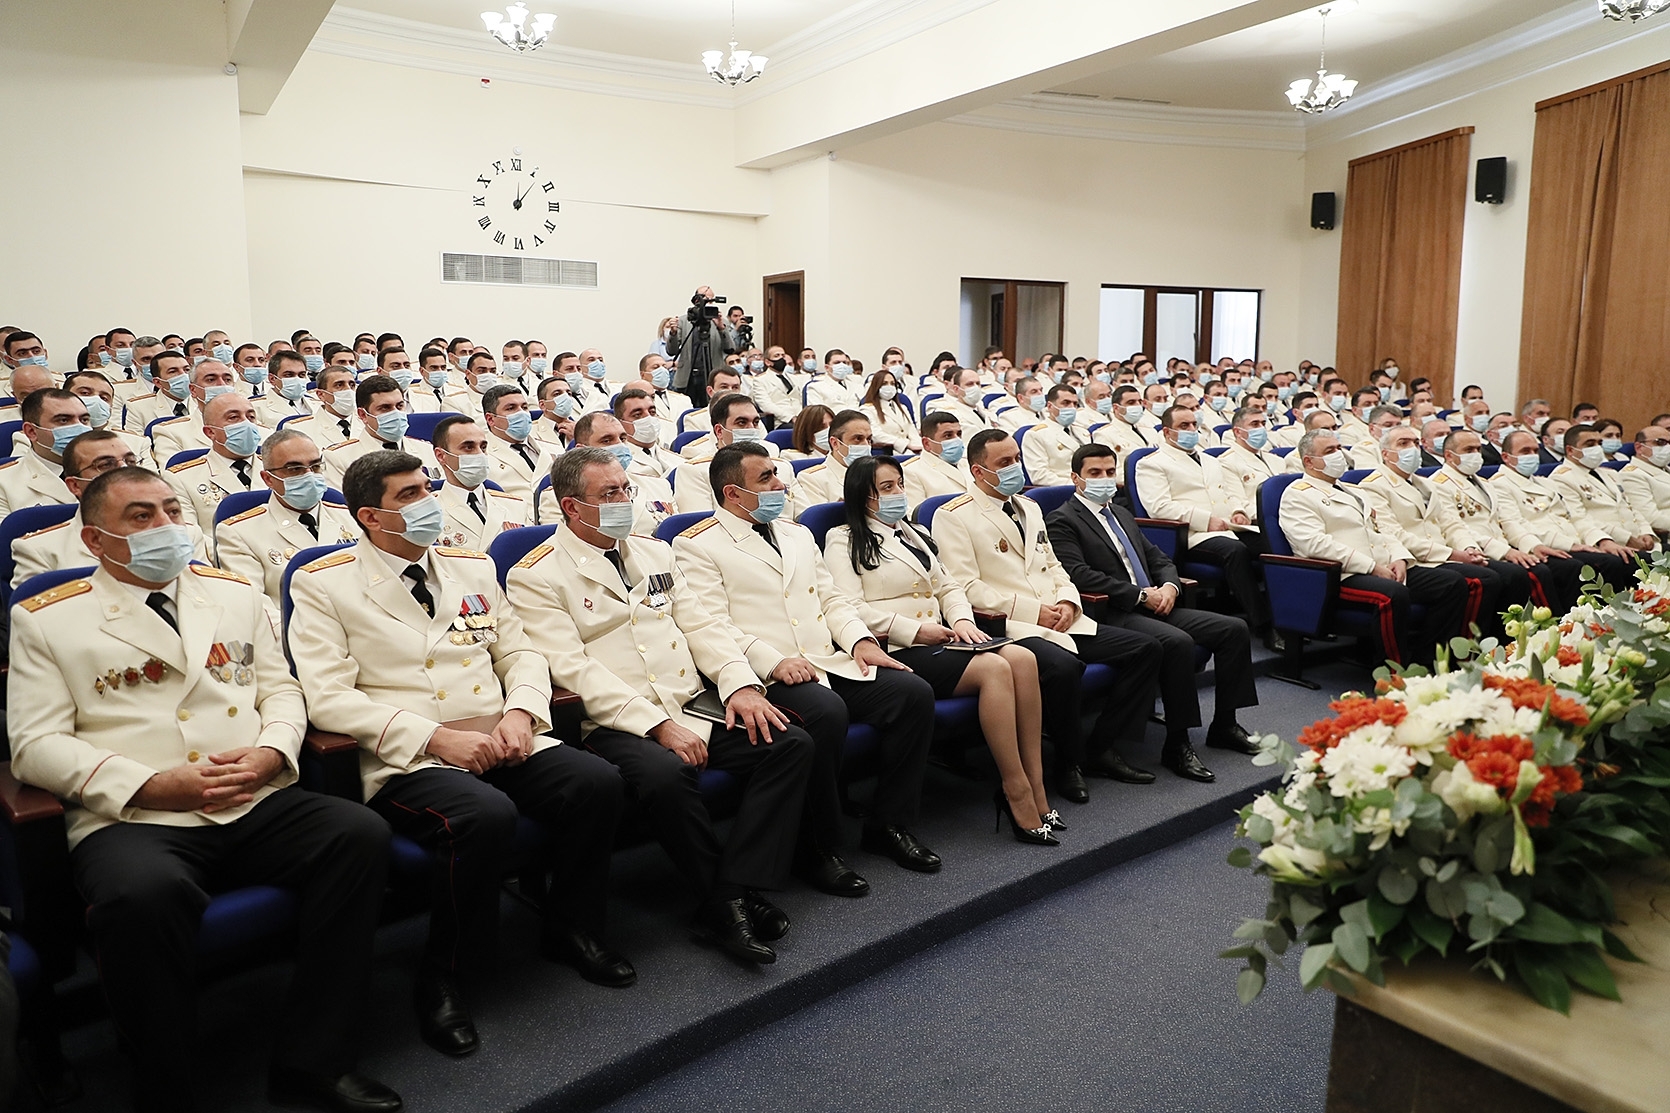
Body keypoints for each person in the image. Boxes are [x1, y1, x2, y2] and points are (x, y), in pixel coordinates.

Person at [9, 466, 398, 1113]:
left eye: (171, 509)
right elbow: (35, 744)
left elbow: (281, 690)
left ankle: (315, 1057)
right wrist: (151, 783)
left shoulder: (232, 593)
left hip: (250, 794)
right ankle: (167, 1087)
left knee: (357, 834)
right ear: (95, 539)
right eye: (141, 516)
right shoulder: (48, 619)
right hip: (136, 815)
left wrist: (271, 750)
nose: (166, 525)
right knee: (142, 894)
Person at [288, 451, 631, 1061]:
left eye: (428, 488)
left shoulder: (471, 566)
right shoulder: (324, 583)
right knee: (482, 816)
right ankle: (443, 975)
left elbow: (519, 654)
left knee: (595, 782)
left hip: (500, 732)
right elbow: (327, 697)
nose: (428, 502)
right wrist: (434, 738)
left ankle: (571, 928)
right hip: (408, 754)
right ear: (369, 516)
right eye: (409, 496)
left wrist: (522, 712)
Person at [507, 448, 815, 963]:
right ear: (571, 506)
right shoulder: (535, 574)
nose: (624, 501)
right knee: (666, 775)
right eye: (609, 493)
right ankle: (726, 905)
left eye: (625, 489)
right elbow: (571, 667)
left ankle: (731, 889)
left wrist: (738, 684)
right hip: (616, 720)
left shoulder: (654, 552)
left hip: (688, 700)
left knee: (788, 745)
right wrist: (657, 726)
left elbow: (701, 626)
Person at [673, 442, 940, 879]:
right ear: (732, 493)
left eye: (776, 473)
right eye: (766, 478)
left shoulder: (795, 533)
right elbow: (711, 624)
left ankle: (888, 824)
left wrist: (859, 642)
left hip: (822, 659)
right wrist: (773, 662)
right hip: (764, 673)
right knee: (825, 712)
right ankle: (817, 847)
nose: (780, 484)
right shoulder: (696, 545)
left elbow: (831, 599)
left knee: (911, 695)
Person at [826, 456, 1059, 843]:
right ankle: (1014, 788)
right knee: (995, 669)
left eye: (900, 484)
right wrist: (916, 630)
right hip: (896, 646)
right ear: (864, 497)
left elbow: (949, 587)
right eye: (887, 488)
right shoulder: (844, 539)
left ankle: (1036, 783)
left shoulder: (913, 532)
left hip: (944, 636)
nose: (898, 493)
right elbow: (849, 607)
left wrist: (963, 620)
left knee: (1023, 658)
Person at [932, 430, 1171, 799]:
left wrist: (1069, 602)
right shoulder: (954, 516)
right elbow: (966, 586)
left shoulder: (1029, 506)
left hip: (1060, 616)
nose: (1015, 467)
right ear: (978, 471)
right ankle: (1067, 763)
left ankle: (1101, 748)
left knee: (1146, 649)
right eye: (1004, 463)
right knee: (1063, 668)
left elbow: (1055, 566)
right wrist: (1034, 612)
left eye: (1016, 459)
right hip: (1011, 625)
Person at [1047, 444, 1260, 762]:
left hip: (1155, 603)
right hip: (1114, 611)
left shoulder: (1120, 513)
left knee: (1233, 629)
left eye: (1109, 472)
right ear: (1076, 478)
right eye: (1094, 473)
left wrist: (1171, 587)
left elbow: (1157, 558)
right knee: (1178, 642)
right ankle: (1178, 742)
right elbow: (1079, 575)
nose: (1104, 479)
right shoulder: (1062, 519)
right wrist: (1141, 596)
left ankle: (1225, 725)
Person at [1279, 430, 1468, 668]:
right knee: (1393, 594)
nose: (1339, 455)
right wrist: (1371, 567)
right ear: (1308, 461)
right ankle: (1394, 672)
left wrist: (1400, 557)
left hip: (1382, 563)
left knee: (1451, 584)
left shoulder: (1354, 490)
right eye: (1329, 451)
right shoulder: (1297, 495)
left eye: (1338, 448)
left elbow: (1382, 530)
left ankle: (1429, 661)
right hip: (1342, 574)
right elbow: (1314, 544)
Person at [1132, 405, 1276, 648]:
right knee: (1235, 551)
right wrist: (1205, 520)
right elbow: (1159, 507)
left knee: (1272, 545)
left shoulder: (1209, 460)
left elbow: (1228, 493)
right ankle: (1265, 625)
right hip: (1190, 533)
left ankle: (1291, 618)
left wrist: (1238, 511)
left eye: (1193, 425)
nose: (1191, 430)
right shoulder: (1152, 463)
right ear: (1167, 432)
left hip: (1227, 526)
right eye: (1183, 426)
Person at [11, 433, 211, 588]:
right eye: (106, 465)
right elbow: (45, 624)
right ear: (74, 485)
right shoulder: (40, 550)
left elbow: (207, 595)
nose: (125, 471)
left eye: (130, 462)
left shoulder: (187, 533)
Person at [213, 429, 357, 597]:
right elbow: (253, 603)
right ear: (268, 479)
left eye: (315, 466)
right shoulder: (239, 533)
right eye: (295, 469)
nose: (309, 475)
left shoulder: (352, 517)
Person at [1548, 424, 1661, 555]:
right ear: (1570, 450)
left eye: (1599, 443)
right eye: (1590, 444)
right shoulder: (1562, 478)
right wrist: (1626, 538)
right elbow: (1579, 518)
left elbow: (1631, 507)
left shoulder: (1610, 473)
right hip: (1606, 544)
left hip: (1640, 541)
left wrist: (1646, 532)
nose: (1597, 448)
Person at [162, 392, 265, 533]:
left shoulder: (280, 469)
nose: (246, 423)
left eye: (251, 417)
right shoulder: (180, 478)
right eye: (233, 417)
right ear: (210, 432)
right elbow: (190, 535)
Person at [673, 395, 794, 514]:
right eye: (741, 423)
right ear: (719, 431)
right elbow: (700, 521)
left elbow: (800, 516)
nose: (751, 428)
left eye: (756, 422)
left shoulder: (782, 467)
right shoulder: (695, 471)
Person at [426, 415, 529, 550]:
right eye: (468, 447)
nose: (480, 454)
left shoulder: (515, 505)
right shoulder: (428, 512)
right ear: (441, 456)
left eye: (483, 447)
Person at [321, 374, 439, 488]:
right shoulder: (339, 458)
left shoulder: (427, 449)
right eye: (384, 408)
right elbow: (342, 501)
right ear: (363, 415)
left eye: (399, 406)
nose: (396, 413)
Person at [789, 408, 872, 520]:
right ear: (835, 443)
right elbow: (821, 522)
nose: (866, 445)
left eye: (869, 439)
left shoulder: (879, 473)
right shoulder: (812, 479)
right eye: (858, 439)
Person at [665, 286, 738, 406]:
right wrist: (673, 333)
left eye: (711, 299)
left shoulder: (721, 321)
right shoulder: (684, 320)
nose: (708, 302)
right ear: (696, 300)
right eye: (705, 298)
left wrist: (721, 328)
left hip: (712, 375)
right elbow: (671, 351)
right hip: (687, 376)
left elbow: (730, 349)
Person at [1019, 384, 1090, 486]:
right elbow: (1040, 476)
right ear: (1050, 406)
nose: (1071, 407)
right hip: (1064, 488)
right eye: (1065, 403)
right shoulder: (1035, 435)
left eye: (1075, 404)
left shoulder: (1083, 432)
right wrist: (1080, 484)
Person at [902, 412, 971, 504]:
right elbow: (918, 511)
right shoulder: (911, 472)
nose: (957, 440)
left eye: (959, 434)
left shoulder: (969, 463)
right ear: (927, 443)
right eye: (948, 435)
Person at [613, 387, 681, 477]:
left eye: (652, 412)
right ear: (620, 423)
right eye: (637, 415)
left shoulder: (678, 460)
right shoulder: (618, 462)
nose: (648, 418)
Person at [1620, 425, 1670, 535]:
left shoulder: (1666, 469)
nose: (1667, 447)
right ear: (1639, 447)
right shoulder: (1631, 475)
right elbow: (1651, 518)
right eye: (1660, 442)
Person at [860, 367, 919, 454]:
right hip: (889, 452)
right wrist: (905, 445)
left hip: (911, 450)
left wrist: (918, 447)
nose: (889, 387)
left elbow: (912, 430)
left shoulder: (903, 407)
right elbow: (876, 434)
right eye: (884, 383)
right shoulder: (867, 409)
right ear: (876, 386)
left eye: (892, 384)